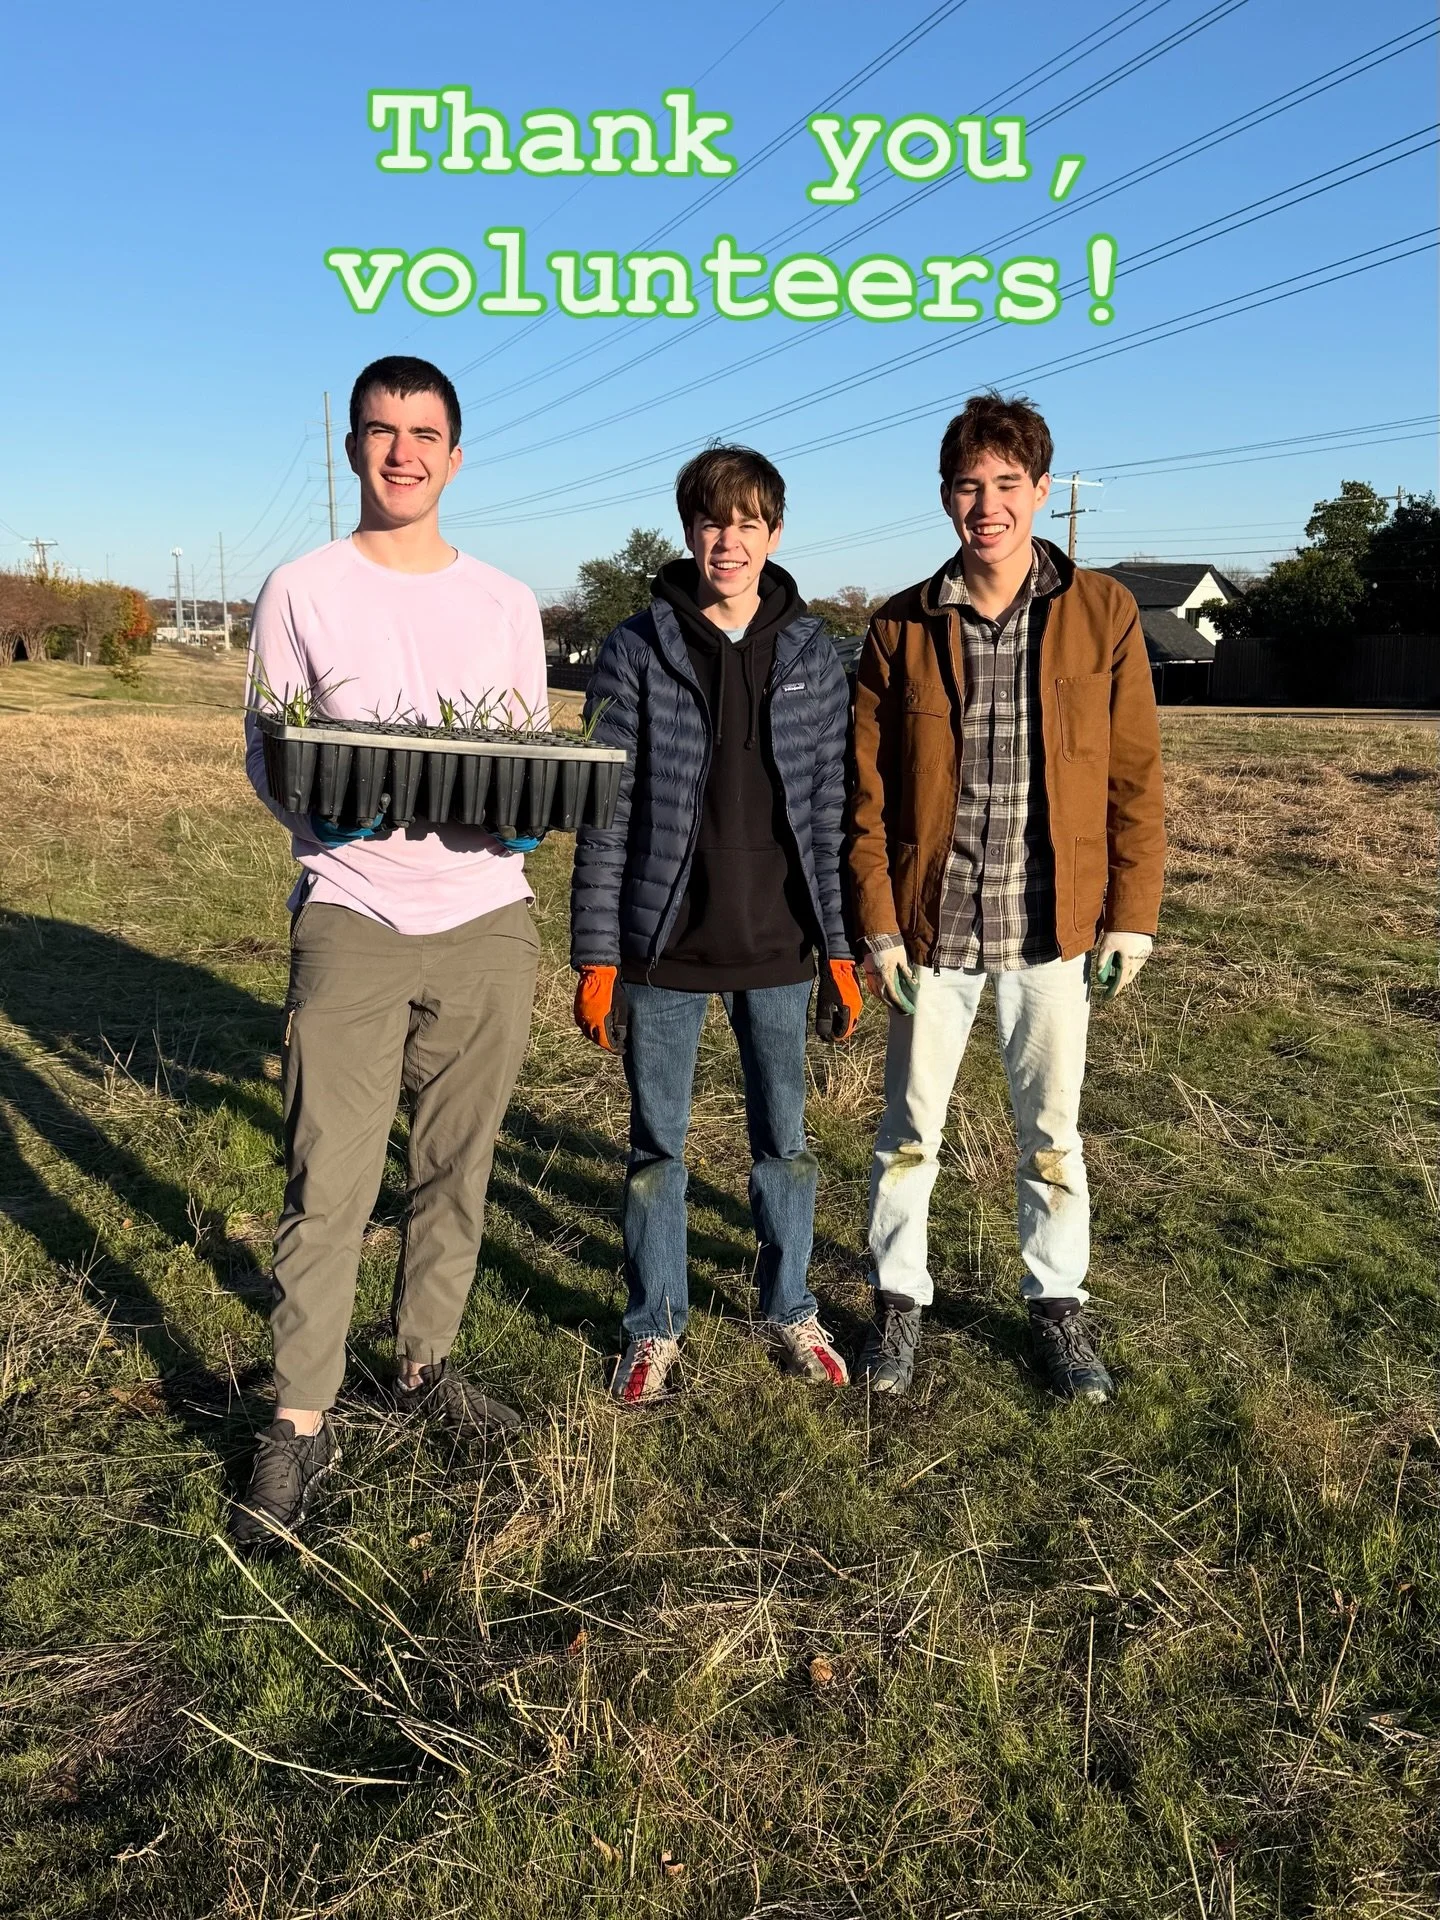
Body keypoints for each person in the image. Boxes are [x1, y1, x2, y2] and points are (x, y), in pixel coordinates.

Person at [233, 355, 545, 1548]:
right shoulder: (302, 586)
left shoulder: (507, 600)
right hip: (352, 911)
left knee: (455, 1170)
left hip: (487, 919)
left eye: (424, 433)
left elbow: (517, 745)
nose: (402, 451)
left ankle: (422, 1368)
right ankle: (297, 1421)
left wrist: (524, 821)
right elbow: (269, 750)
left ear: (456, 457)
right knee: (329, 1182)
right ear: (352, 449)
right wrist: (322, 816)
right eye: (381, 431)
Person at [847, 391, 1165, 1402]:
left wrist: (1133, 914)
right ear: (946, 498)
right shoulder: (900, 626)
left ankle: (1056, 1306)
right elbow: (867, 796)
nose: (987, 506)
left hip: (1053, 927)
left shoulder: (1103, 612)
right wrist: (879, 926)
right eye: (967, 487)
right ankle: (899, 1303)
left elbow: (1133, 777)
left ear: (1037, 489)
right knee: (908, 1133)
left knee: (1051, 1132)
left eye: (1007, 485)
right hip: (933, 930)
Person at [570, 445, 863, 1403]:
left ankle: (789, 1308)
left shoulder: (817, 656)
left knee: (786, 1144)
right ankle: (654, 1324)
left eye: (745, 522)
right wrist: (598, 953)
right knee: (658, 1151)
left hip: (779, 947)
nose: (726, 540)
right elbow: (604, 812)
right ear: (689, 530)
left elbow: (828, 809)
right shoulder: (636, 648)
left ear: (773, 534)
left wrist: (843, 948)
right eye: (709, 520)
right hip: (664, 950)